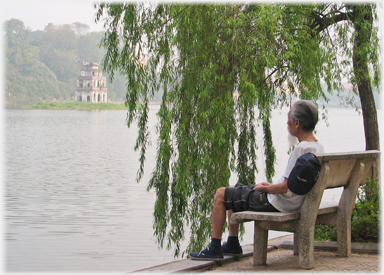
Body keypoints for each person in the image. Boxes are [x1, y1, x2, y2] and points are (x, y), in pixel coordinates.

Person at [188, 99, 325, 261]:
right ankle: (232, 243)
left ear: (297, 124)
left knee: (221, 195)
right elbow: (292, 184)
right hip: (293, 201)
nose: (286, 122)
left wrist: (267, 189)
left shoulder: (301, 149)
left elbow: (284, 187)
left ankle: (215, 248)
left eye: (288, 118)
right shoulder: (317, 147)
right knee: (234, 190)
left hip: (278, 203)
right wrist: (270, 186)